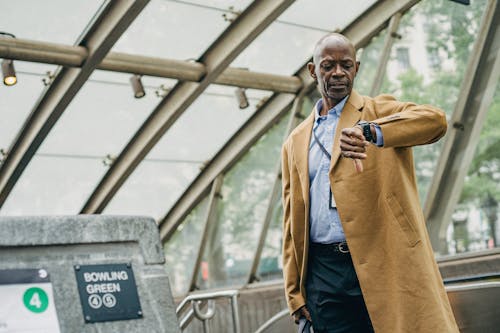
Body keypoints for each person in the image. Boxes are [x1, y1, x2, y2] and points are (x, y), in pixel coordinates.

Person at [281, 33, 459, 332]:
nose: (337, 73)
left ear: (356, 69)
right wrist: (294, 292)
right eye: (328, 66)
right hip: (324, 272)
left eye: (346, 65)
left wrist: (371, 132)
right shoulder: (295, 141)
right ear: (313, 71)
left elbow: (436, 121)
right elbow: (291, 219)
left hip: (384, 259)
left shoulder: (379, 112)